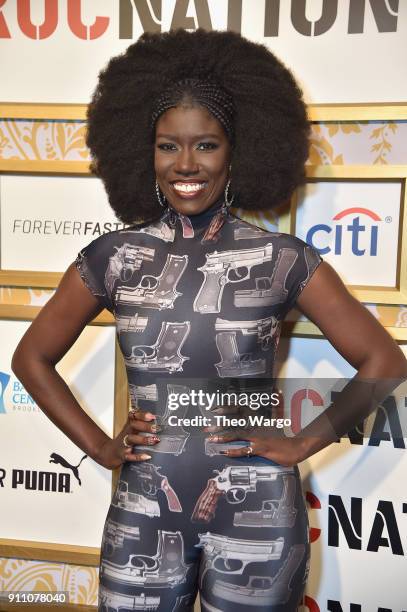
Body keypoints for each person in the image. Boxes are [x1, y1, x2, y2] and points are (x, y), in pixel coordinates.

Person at [12, 29, 407, 612]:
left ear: (236, 151)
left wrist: (302, 443)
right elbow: (29, 358)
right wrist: (99, 446)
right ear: (145, 151)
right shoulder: (114, 258)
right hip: (145, 506)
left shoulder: (282, 258)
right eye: (168, 146)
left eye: (207, 146)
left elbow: (386, 362)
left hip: (259, 514)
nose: (186, 165)